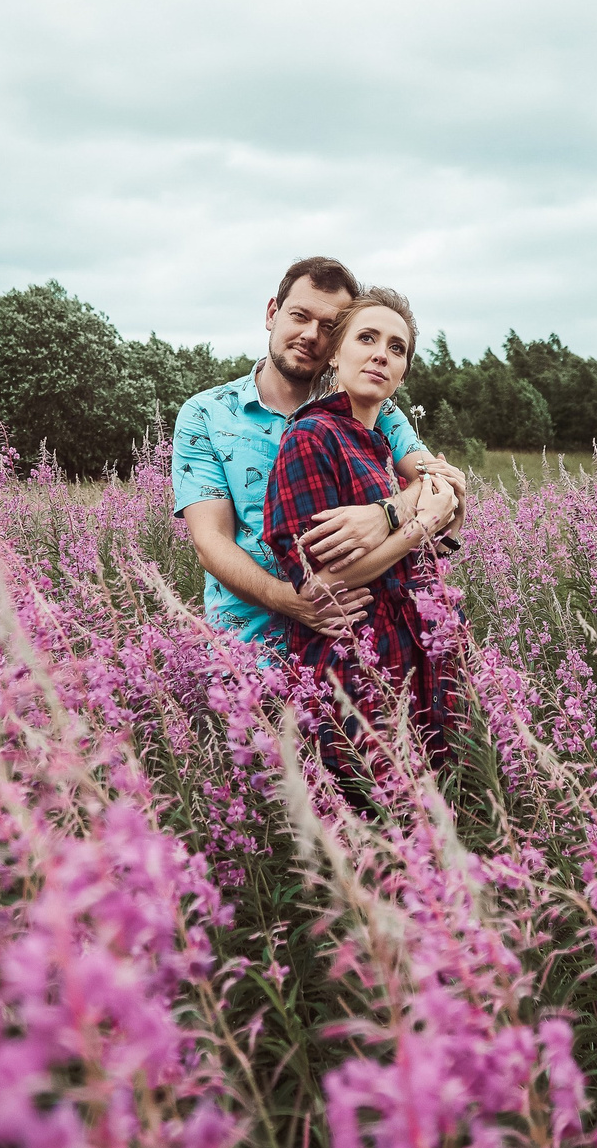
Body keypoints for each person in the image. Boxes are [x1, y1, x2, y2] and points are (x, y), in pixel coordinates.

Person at [172, 257, 467, 651]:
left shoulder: (374, 408)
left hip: (349, 646)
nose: (311, 334)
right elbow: (211, 541)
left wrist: (387, 514)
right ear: (272, 313)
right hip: (248, 652)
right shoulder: (206, 413)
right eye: (299, 316)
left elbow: (437, 479)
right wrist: (293, 601)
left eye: (328, 327)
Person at [262, 287, 465, 788]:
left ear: (402, 373)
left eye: (397, 348)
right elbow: (319, 582)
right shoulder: (311, 436)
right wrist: (419, 522)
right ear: (335, 354)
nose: (381, 353)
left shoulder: (377, 446)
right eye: (367, 338)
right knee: (369, 823)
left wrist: (443, 523)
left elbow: (410, 556)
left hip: (413, 657)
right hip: (352, 667)